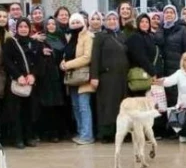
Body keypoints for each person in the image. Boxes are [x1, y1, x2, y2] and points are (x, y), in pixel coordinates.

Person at [91, 12, 129, 141]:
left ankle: (121, 132)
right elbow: (95, 57)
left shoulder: (122, 36)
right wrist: (94, 76)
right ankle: (107, 133)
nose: (112, 21)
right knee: (107, 106)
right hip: (107, 77)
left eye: (114, 19)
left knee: (121, 105)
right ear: (105, 21)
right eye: (109, 19)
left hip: (122, 77)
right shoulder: (100, 36)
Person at [3, 18, 40, 148]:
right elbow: (7, 61)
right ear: (17, 28)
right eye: (21, 27)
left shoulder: (34, 43)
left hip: (30, 82)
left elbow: (38, 61)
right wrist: (18, 76)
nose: (23, 29)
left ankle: (29, 137)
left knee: (29, 111)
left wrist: (33, 75)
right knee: (16, 111)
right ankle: (18, 138)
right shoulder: (11, 42)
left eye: (26, 26)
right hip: (16, 82)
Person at [61, 13, 95, 145]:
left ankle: (87, 135)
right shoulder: (71, 37)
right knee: (75, 106)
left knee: (83, 106)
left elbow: (87, 57)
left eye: (78, 22)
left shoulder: (88, 36)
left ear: (83, 23)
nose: (75, 24)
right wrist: (63, 62)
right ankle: (81, 132)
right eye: (73, 22)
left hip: (84, 76)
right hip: (73, 77)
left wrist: (68, 65)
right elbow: (67, 53)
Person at [125, 13, 159, 94]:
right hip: (139, 75)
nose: (144, 24)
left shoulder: (149, 36)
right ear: (138, 23)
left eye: (147, 22)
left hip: (148, 74)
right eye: (142, 22)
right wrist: (153, 72)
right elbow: (141, 57)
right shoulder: (135, 37)